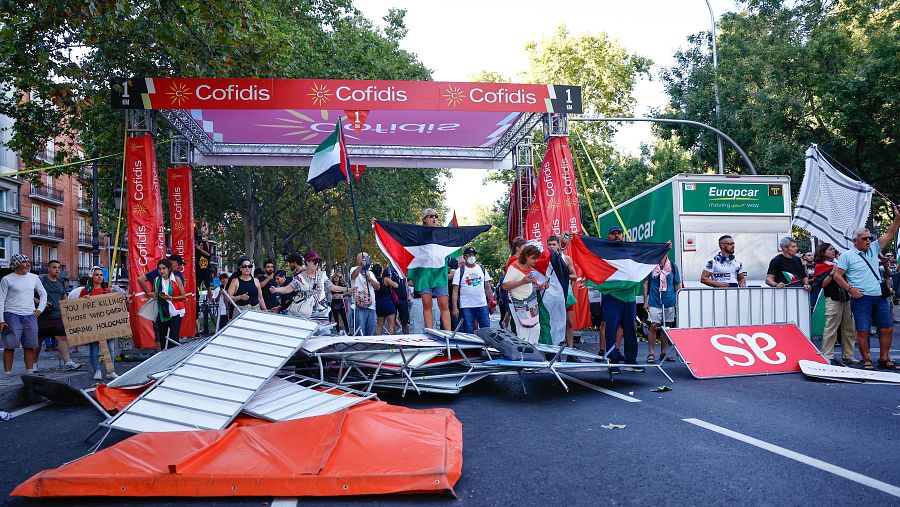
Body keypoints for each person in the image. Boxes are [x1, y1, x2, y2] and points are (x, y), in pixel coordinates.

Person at [833, 207, 900, 370]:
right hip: (861, 298)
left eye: (869, 238)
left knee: (887, 328)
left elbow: (890, 233)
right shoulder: (847, 255)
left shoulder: (874, 249)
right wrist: (850, 289)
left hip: (879, 296)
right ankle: (866, 359)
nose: (868, 241)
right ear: (855, 240)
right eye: (864, 238)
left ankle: (884, 358)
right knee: (863, 331)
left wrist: (898, 217)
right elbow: (837, 275)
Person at [600, 226, 646, 371]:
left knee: (631, 330)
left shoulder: (630, 251)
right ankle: (612, 362)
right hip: (612, 296)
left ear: (623, 236)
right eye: (613, 234)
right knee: (611, 329)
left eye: (618, 233)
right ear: (608, 237)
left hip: (629, 297)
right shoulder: (603, 252)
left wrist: (664, 248)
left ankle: (631, 360)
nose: (616, 236)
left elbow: (648, 255)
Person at [0, 254, 46, 374]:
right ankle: (8, 374)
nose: (27, 264)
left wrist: (40, 309)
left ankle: (30, 372)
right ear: (16, 264)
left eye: (28, 261)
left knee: (30, 345)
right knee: (9, 346)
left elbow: (43, 293)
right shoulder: (7, 279)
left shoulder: (34, 277)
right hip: (11, 315)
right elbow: (1, 299)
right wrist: (1, 320)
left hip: (30, 315)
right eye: (24, 262)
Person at [812, 243, 857, 366]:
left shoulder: (840, 263)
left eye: (834, 249)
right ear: (823, 252)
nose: (833, 251)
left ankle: (848, 355)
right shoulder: (820, 266)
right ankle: (827, 355)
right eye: (830, 249)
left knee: (849, 328)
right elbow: (822, 284)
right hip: (832, 298)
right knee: (831, 327)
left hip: (845, 297)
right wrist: (833, 272)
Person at [72, 267, 119, 380]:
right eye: (97, 275)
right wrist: (83, 300)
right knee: (94, 350)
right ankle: (97, 370)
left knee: (111, 349)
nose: (99, 277)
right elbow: (78, 308)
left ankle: (110, 371)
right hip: (92, 325)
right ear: (92, 277)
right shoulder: (85, 291)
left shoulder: (107, 291)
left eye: (101, 275)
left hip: (106, 324)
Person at [37, 260, 81, 370]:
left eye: (58, 267)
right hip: (42, 315)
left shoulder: (61, 282)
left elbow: (64, 296)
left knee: (62, 338)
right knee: (38, 340)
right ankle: (33, 365)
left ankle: (67, 363)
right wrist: (42, 303)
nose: (57, 269)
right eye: (54, 267)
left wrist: (68, 309)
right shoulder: (41, 281)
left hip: (57, 315)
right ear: (48, 268)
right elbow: (31, 296)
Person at [270, 251, 337, 319]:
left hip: (308, 312)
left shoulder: (306, 275)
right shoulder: (296, 275)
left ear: (294, 262)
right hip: (297, 311)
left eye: (289, 262)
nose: (288, 265)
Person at [502, 244, 547, 344]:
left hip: (531, 304)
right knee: (523, 331)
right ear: (526, 256)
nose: (535, 261)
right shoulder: (513, 267)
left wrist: (542, 286)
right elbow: (505, 285)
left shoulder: (531, 269)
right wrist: (522, 282)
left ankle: (532, 352)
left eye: (536, 259)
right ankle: (523, 355)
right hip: (519, 304)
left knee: (535, 328)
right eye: (533, 258)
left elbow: (532, 286)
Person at [643, 255, 682, 363]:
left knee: (666, 327)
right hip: (655, 301)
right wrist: (645, 301)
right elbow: (646, 284)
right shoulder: (651, 266)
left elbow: (677, 284)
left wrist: (680, 300)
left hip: (669, 300)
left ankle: (663, 352)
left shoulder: (673, 266)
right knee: (653, 326)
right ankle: (651, 353)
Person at [419, 208, 451, 330]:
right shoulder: (418, 234)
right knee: (427, 304)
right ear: (424, 219)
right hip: (424, 273)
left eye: (436, 216)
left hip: (440, 272)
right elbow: (399, 232)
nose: (434, 218)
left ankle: (448, 335)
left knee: (443, 305)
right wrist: (379, 225)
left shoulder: (443, 234)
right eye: (431, 216)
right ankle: (430, 332)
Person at [147, 258, 187, 351]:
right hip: (162, 311)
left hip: (176, 311)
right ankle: (165, 361)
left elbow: (183, 296)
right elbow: (153, 293)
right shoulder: (156, 280)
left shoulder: (176, 279)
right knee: (163, 338)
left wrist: (171, 298)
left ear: (169, 269)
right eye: (159, 269)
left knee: (173, 339)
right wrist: (150, 294)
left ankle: (174, 361)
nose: (161, 271)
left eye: (164, 268)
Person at [451, 246, 493, 334]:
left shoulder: (482, 269)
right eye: (468, 255)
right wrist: (455, 307)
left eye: (473, 255)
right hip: (466, 306)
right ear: (464, 257)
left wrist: (492, 302)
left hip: (482, 305)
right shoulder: (460, 271)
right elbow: (455, 291)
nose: (471, 257)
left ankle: (486, 347)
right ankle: (472, 348)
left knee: (486, 329)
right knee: (469, 331)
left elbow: (488, 287)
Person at [549, 234, 578, 347]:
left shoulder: (565, 258)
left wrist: (564, 276)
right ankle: (554, 348)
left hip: (565, 294)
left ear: (558, 245)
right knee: (553, 323)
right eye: (550, 244)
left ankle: (570, 349)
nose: (552, 247)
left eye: (554, 244)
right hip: (551, 295)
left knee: (569, 322)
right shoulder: (545, 259)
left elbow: (574, 276)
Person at [350, 252, 379, 335]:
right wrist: (361, 266)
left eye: (367, 257)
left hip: (372, 306)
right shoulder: (354, 269)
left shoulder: (371, 273)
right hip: (359, 307)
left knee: (371, 331)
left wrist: (369, 278)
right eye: (363, 257)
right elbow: (353, 276)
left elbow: (378, 287)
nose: (366, 259)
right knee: (360, 331)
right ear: (358, 260)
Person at [371, 264, 398, 335]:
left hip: (379, 304)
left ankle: (379, 341)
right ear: (381, 271)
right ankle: (390, 342)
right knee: (391, 324)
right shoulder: (385, 279)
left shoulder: (373, 282)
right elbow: (396, 285)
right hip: (388, 302)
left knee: (380, 325)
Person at [388, 265, 411, 334]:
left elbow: (406, 283)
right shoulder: (388, 270)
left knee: (405, 322)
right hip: (392, 299)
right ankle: (393, 342)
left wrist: (408, 296)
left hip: (403, 298)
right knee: (392, 321)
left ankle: (407, 339)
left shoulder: (403, 269)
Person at [195, 231, 213, 301]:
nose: (201, 246)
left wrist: (200, 249)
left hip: (206, 273)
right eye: (200, 245)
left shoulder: (206, 253)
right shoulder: (197, 253)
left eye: (202, 245)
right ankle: (197, 298)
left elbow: (208, 255)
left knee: (208, 286)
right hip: (199, 273)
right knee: (196, 287)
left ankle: (210, 298)